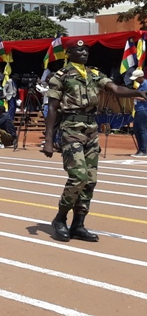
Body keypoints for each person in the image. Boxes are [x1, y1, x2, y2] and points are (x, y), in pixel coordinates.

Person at [44, 39, 147, 243]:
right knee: (78, 177)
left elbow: (115, 89)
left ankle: (78, 224)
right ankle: (60, 219)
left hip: (91, 130)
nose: (84, 53)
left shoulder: (93, 74)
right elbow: (53, 108)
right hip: (71, 129)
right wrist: (48, 139)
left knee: (90, 180)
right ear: (69, 52)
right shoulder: (60, 77)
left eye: (86, 50)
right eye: (79, 49)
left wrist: (138, 92)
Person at [130, 69, 147, 157]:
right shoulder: (141, 85)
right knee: (136, 129)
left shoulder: (146, 85)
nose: (135, 80)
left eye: (136, 78)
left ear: (141, 77)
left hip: (143, 109)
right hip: (138, 109)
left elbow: (145, 99)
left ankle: (144, 150)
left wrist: (133, 97)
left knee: (142, 129)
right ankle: (140, 149)